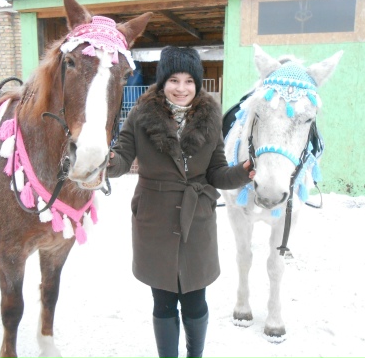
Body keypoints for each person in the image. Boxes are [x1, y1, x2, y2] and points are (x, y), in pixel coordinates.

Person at [107, 46, 255, 358]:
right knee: (162, 302)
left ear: (197, 83)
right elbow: (121, 157)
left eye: (189, 81)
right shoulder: (140, 114)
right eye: (174, 80)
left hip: (197, 221)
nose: (181, 88)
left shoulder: (210, 117)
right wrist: (106, 161)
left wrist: (243, 172)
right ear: (163, 81)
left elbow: (216, 172)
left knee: (195, 301)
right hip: (154, 220)